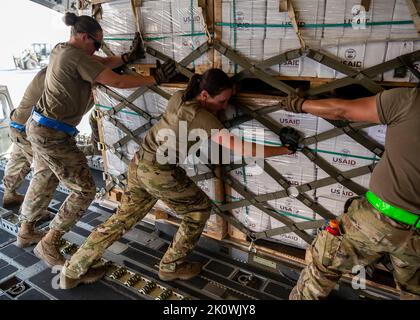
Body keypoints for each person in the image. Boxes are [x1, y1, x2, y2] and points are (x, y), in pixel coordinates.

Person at [59, 68, 301, 289]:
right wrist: (284, 149)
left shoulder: (179, 98)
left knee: (121, 220)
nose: (224, 105)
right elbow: (245, 149)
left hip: (140, 163)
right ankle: (171, 266)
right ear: (205, 95)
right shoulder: (204, 118)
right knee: (198, 210)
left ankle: (74, 269)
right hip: (159, 173)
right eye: (222, 101)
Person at [18, 12, 177, 267]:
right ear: (82, 37)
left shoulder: (62, 50)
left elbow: (102, 62)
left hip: (40, 128)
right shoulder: (76, 57)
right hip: (53, 135)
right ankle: (49, 243)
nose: (97, 49)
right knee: (84, 190)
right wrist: (154, 79)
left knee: (44, 177)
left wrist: (127, 58)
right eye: (96, 44)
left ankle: (26, 230)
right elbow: (117, 81)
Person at [281, 89, 420, 300]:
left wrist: (300, 104)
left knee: (322, 266)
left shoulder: (411, 100)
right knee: (414, 291)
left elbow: (341, 110)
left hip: (376, 221)